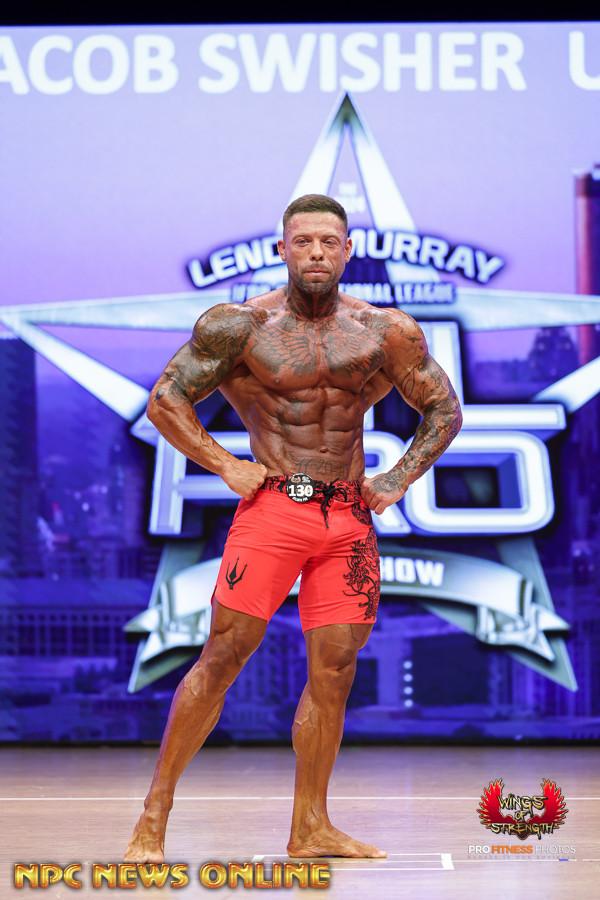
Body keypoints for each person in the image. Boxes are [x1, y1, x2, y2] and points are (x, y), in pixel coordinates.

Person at [125, 194, 462, 863]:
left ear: (347, 250)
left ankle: (310, 827)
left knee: (334, 672)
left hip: (349, 520)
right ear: (282, 249)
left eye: (328, 242)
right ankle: (152, 820)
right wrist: (225, 464)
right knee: (224, 656)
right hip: (275, 509)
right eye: (303, 241)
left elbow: (443, 409)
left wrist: (398, 477)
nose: (315, 252)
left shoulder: (383, 330)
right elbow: (166, 399)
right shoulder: (241, 327)